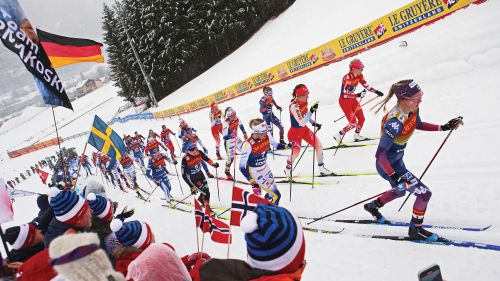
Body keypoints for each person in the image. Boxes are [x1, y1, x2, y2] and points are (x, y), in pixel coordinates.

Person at [363, 79, 463, 241]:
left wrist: (443, 127)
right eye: (415, 98)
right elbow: (380, 155)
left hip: (398, 162)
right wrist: (395, 176)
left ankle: (372, 207)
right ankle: (415, 230)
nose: (420, 101)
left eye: (420, 96)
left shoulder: (413, 108)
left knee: (401, 191)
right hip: (387, 166)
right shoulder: (394, 123)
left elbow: (418, 123)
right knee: (424, 194)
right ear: (403, 99)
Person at [333, 58, 384, 143]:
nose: (361, 70)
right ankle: (339, 134)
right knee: (353, 123)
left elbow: (366, 85)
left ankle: (356, 135)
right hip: (344, 102)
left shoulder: (359, 76)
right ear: (354, 69)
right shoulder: (347, 78)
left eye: (362, 69)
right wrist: (358, 95)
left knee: (361, 119)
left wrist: (376, 91)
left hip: (353, 100)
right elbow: (344, 95)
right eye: (360, 69)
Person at [286, 84, 332, 176]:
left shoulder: (304, 101)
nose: (307, 96)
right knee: (296, 153)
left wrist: (313, 122)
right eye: (305, 94)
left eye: (307, 93)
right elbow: (301, 122)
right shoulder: (294, 106)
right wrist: (311, 111)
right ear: (299, 95)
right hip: (295, 133)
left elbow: (305, 114)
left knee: (319, 146)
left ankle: (322, 168)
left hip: (304, 130)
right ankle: (287, 169)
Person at [239, 119, 288, 205]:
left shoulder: (266, 135)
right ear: (256, 132)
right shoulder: (247, 145)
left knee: (270, 194)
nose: (265, 134)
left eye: (266, 131)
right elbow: (242, 167)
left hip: (265, 168)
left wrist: (287, 146)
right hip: (256, 173)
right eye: (263, 132)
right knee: (277, 195)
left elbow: (275, 145)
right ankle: (272, 214)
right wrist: (252, 182)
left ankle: (264, 206)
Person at [222, 107, 247, 180]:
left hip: (236, 138)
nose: (234, 116)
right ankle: (227, 171)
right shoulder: (225, 123)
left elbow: (241, 125)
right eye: (232, 115)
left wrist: (244, 133)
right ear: (228, 116)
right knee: (231, 159)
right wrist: (231, 134)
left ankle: (249, 168)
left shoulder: (237, 118)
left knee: (245, 151)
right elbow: (224, 136)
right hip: (229, 142)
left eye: (234, 114)